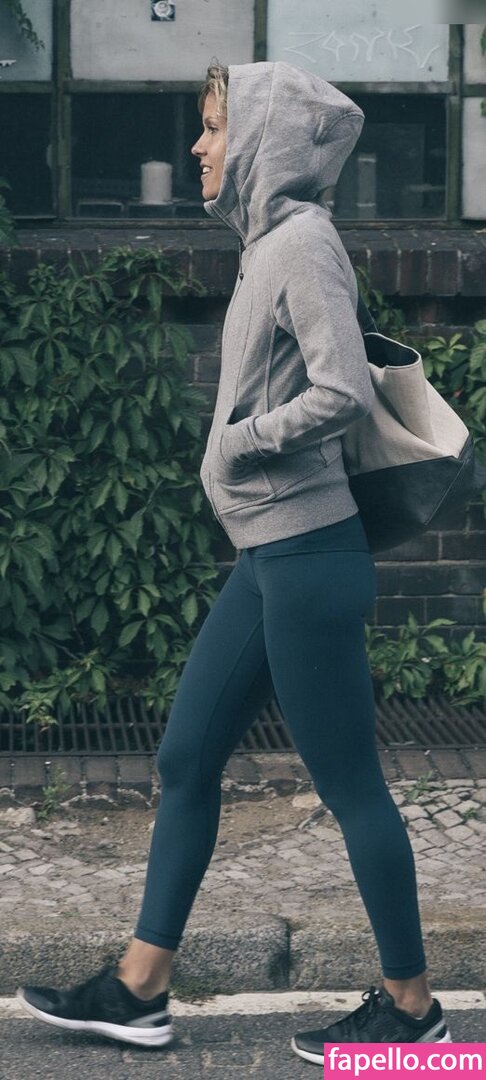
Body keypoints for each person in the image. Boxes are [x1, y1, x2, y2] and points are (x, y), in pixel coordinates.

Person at [17, 59, 452, 1064]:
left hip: (306, 556)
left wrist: (242, 443)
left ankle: (415, 1015)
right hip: (269, 557)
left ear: (262, 140)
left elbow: (342, 390)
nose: (200, 146)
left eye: (214, 128)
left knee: (351, 786)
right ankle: (140, 989)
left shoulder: (303, 244)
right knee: (185, 758)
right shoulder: (267, 245)